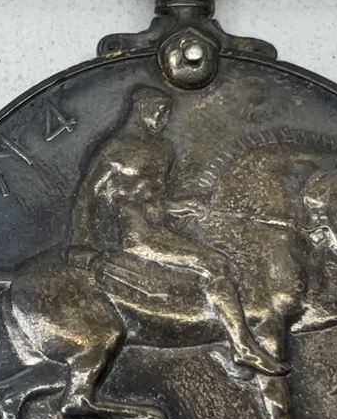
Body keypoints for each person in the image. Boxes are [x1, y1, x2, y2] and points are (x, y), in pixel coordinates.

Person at [70, 87, 285, 376]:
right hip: (134, 234)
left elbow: (153, 200)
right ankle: (242, 346)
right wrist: (81, 242)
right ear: (141, 108)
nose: (163, 118)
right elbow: (87, 194)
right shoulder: (115, 149)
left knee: (222, 260)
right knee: (214, 263)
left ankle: (234, 339)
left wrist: (180, 205)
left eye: (167, 112)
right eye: (159, 110)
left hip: (155, 226)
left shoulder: (163, 149)